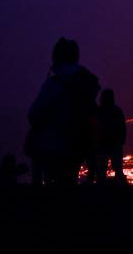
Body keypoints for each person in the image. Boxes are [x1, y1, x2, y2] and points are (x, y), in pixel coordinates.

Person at [27, 38, 100, 185]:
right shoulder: (86, 83)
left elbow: (34, 114)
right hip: (79, 143)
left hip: (53, 143)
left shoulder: (55, 84)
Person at [97, 89, 127, 184]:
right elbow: (122, 127)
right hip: (113, 143)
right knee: (116, 167)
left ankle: (102, 187)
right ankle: (119, 186)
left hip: (105, 143)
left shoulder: (99, 111)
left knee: (103, 168)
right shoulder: (117, 111)